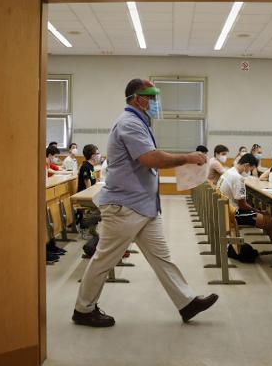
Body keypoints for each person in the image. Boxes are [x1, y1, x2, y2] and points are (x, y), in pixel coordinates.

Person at [73, 78, 218, 328]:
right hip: (124, 207)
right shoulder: (129, 123)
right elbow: (150, 158)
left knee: (162, 257)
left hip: (143, 206)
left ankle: (187, 302)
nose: (155, 102)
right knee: (104, 259)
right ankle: (83, 309)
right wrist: (186, 157)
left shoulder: (140, 121)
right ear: (138, 98)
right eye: (151, 96)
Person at [217, 153, 272, 263]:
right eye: (250, 169)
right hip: (233, 213)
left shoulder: (229, 172)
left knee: (267, 217)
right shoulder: (238, 178)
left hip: (226, 210)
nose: (249, 172)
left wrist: (258, 211)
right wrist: (258, 211)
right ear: (246, 165)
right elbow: (243, 205)